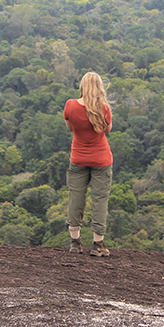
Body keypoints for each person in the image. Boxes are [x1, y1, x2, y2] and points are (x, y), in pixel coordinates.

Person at [63, 72, 113, 257]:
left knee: (76, 196)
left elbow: (70, 128)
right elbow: (106, 130)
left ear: (82, 86)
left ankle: (75, 243)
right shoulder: (104, 109)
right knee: (100, 200)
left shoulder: (70, 105)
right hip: (101, 160)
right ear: (99, 87)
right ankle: (98, 244)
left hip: (78, 158)